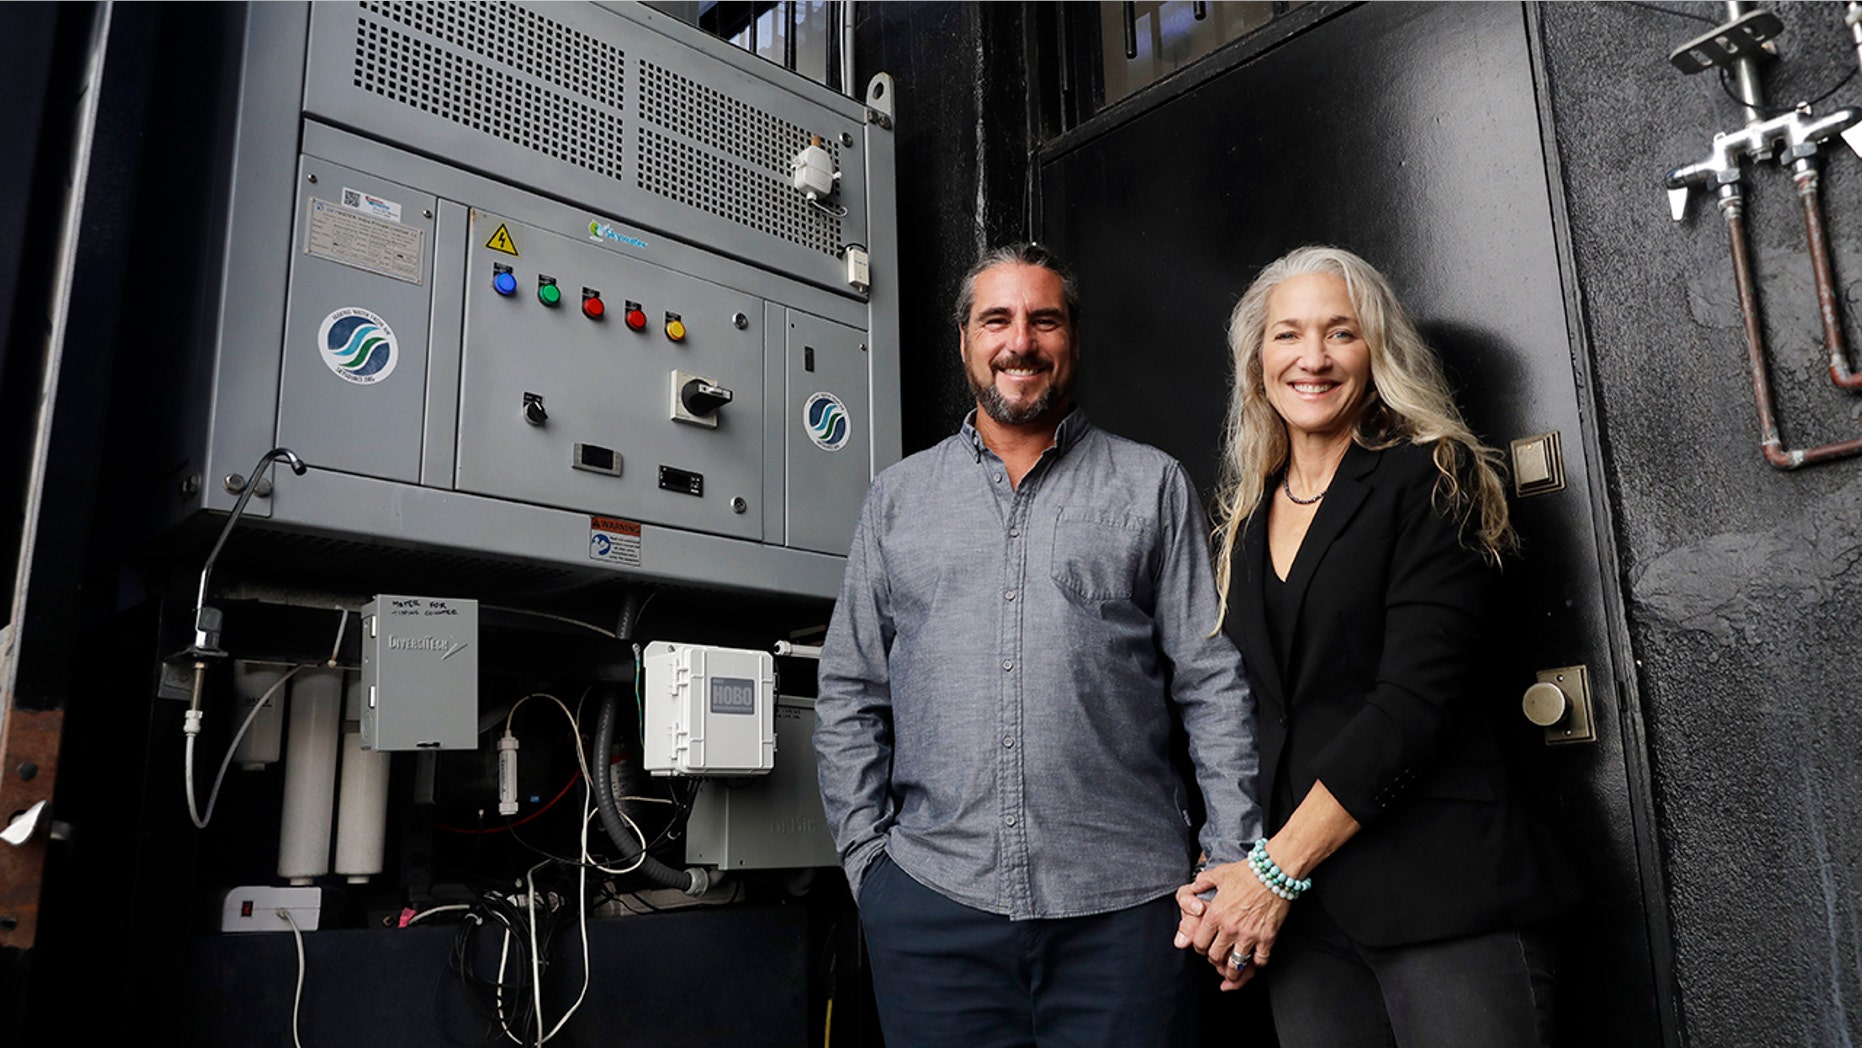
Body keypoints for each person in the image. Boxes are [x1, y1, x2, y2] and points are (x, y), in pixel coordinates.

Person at [814, 243, 1262, 1047]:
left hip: (1127, 915)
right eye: (997, 320)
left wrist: (1229, 860)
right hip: (932, 908)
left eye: (1042, 320)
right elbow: (851, 689)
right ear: (965, 341)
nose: (1020, 341)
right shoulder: (898, 499)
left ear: (1073, 340)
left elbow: (1210, 682)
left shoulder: (1151, 484)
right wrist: (868, 867)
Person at [1174, 245, 1580, 1046]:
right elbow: (1262, 719)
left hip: (1442, 892)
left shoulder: (1433, 476)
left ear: (1377, 352)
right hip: (1307, 920)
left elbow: (1413, 703)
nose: (1313, 359)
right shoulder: (1245, 520)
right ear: (1258, 364)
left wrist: (1268, 873)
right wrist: (1230, 875)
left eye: (1341, 333)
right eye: (1288, 336)